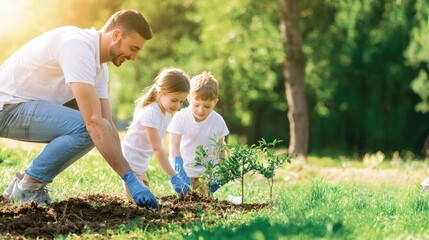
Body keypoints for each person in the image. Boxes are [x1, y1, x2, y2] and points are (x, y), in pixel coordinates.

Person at [0, 9, 158, 209]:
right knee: (88, 127)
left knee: (100, 128)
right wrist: (128, 177)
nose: (134, 57)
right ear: (117, 35)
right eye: (133, 48)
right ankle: (27, 189)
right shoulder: (77, 45)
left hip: (19, 109)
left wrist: (131, 175)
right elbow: (93, 122)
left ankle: (26, 188)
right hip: (6, 107)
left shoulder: (99, 69)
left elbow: (107, 124)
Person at [121, 67, 191, 200]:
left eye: (181, 101)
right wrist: (173, 176)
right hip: (130, 166)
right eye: (174, 100)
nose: (177, 105)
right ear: (161, 93)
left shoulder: (166, 114)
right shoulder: (152, 113)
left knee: (149, 202)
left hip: (140, 166)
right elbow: (157, 148)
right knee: (143, 204)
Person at [167, 71, 229, 197]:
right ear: (189, 98)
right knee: (185, 202)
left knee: (205, 203)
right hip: (185, 171)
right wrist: (178, 169)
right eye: (196, 105)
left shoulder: (218, 121)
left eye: (207, 106)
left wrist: (224, 170)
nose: (201, 110)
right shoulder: (181, 118)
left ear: (215, 102)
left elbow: (221, 146)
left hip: (206, 174)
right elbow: (173, 146)